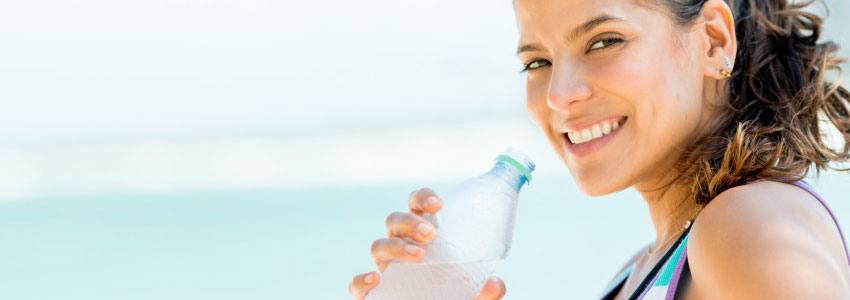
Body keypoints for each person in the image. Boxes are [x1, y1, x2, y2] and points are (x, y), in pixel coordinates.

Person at [349, 0, 850, 298]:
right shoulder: (644, 268)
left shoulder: (747, 224)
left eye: (604, 41)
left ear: (714, 41)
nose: (558, 94)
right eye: (537, 61)